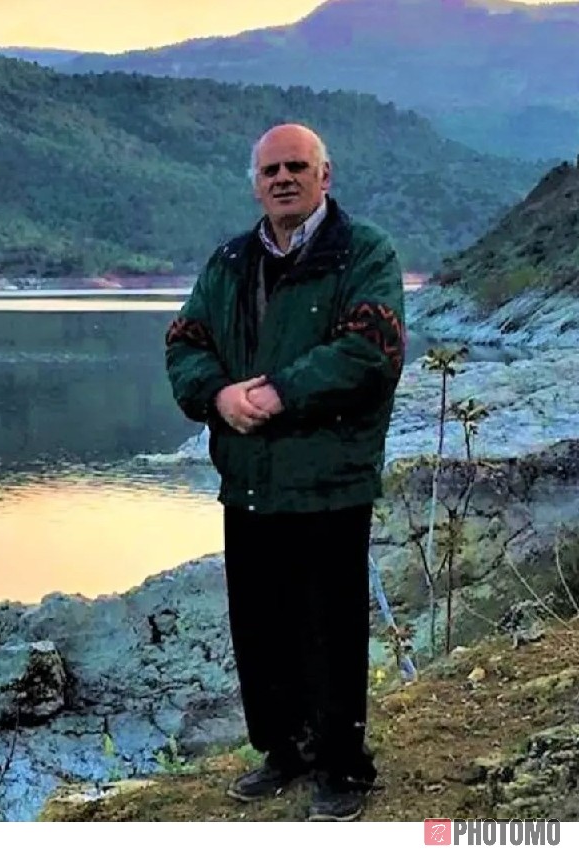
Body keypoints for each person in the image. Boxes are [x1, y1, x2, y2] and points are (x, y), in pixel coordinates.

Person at [164, 123, 406, 821]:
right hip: (249, 479)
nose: (283, 178)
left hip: (330, 480)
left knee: (330, 627)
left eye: (297, 166)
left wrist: (277, 392)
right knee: (261, 627)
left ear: (325, 176)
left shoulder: (364, 251)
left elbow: (371, 349)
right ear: (255, 184)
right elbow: (184, 343)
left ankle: (342, 766)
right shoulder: (230, 262)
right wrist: (217, 395)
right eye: (270, 170)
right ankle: (284, 751)